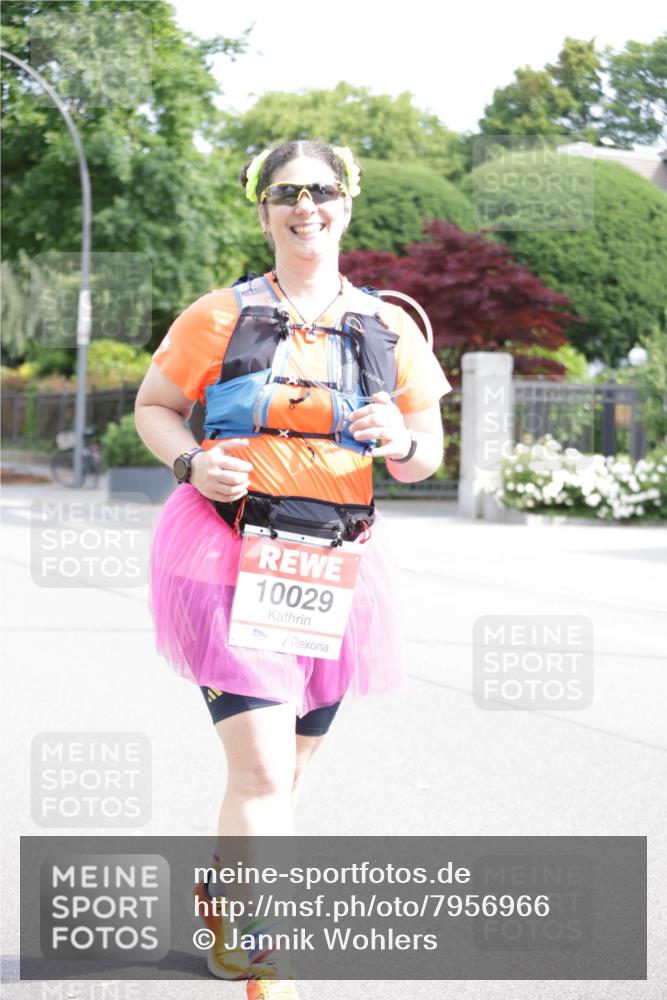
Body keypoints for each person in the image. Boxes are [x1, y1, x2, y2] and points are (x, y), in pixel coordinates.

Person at [134, 140, 451, 998]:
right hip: (224, 556)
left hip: (334, 571)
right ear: (263, 209)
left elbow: (426, 454)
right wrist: (190, 462)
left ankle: (223, 892)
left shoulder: (389, 327)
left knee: (291, 768)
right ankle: (262, 951)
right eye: (285, 193)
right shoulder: (217, 315)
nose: (304, 206)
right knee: (265, 771)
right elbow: (155, 406)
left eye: (320, 190)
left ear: (345, 203)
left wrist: (402, 440)